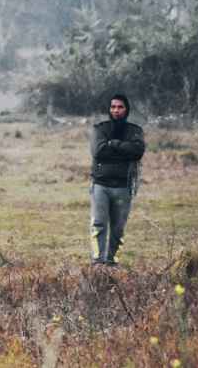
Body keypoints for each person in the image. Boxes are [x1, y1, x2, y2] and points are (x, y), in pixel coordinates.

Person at [88, 94, 145, 266]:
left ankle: (112, 261)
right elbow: (98, 151)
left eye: (120, 107)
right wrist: (124, 150)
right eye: (113, 107)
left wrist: (113, 144)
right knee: (98, 224)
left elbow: (137, 152)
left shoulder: (135, 131)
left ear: (126, 109)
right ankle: (98, 261)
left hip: (123, 186)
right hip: (100, 185)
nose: (116, 110)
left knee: (118, 229)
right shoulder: (100, 129)